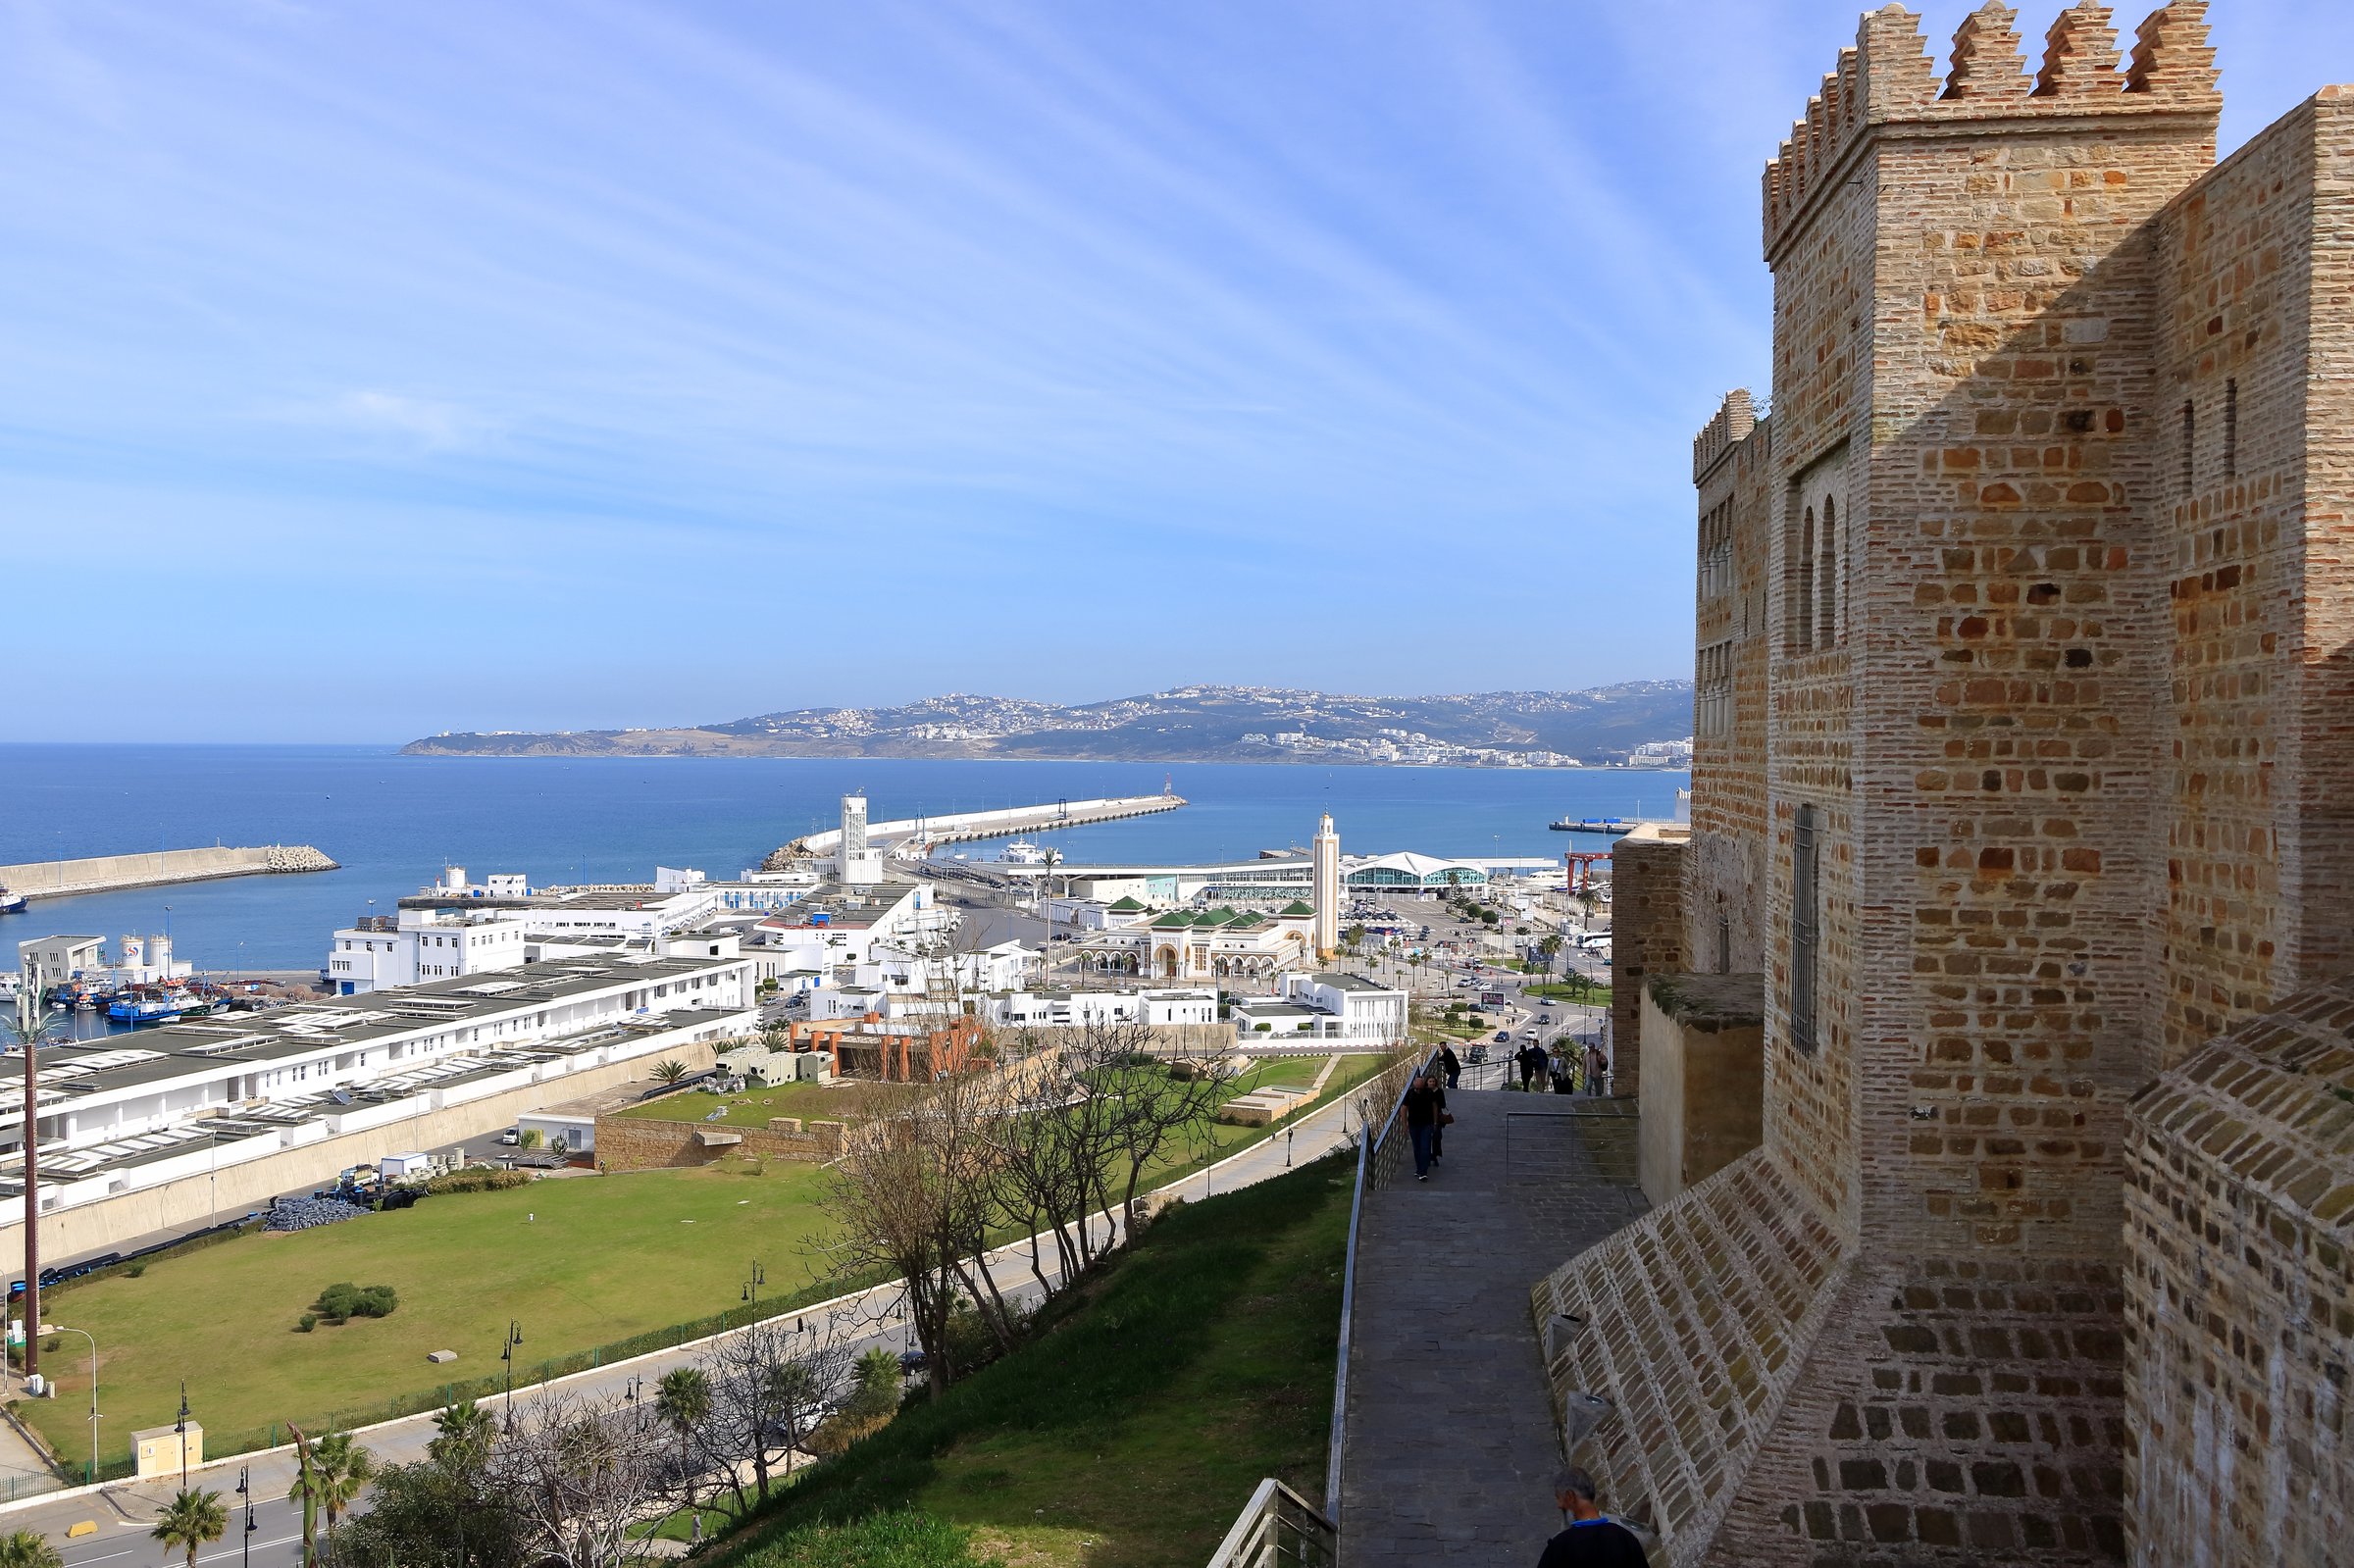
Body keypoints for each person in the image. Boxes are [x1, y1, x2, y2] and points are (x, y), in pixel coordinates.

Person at [1534, 1466, 1647, 1567]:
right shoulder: (1625, 1538)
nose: (1559, 1505)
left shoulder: (1559, 1546)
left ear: (1570, 1496)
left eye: (1559, 1498)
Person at [1403, 1072, 1445, 1181]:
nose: (1418, 1090)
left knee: (1425, 1147)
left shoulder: (1429, 1093)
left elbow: (1435, 1107)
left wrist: (1435, 1122)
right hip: (1413, 1125)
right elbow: (1403, 1108)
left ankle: (1423, 1171)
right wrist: (1404, 1124)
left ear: (1423, 1085)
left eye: (1420, 1087)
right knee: (1417, 1148)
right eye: (1417, 1088)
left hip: (1427, 1124)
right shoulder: (1410, 1093)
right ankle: (1419, 1168)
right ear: (1414, 1086)